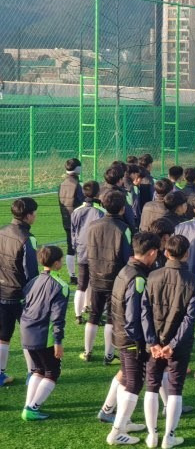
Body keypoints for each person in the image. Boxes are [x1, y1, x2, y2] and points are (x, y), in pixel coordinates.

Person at [142, 235, 195, 449]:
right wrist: (173, 344)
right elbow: (189, 318)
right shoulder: (194, 281)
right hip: (178, 345)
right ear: (186, 254)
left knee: (151, 385)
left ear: (166, 252)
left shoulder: (152, 276)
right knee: (175, 388)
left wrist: (152, 342)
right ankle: (169, 436)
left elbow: (144, 311)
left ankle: (151, 435)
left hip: (155, 343)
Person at [106, 232, 160, 445]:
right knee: (134, 383)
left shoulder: (126, 269)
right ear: (152, 252)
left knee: (129, 379)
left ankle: (124, 421)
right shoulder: (138, 278)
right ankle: (116, 432)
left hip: (120, 334)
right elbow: (133, 317)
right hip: (130, 340)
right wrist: (142, 342)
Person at [82, 190, 132, 364]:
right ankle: (108, 355)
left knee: (94, 314)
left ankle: (87, 351)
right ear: (123, 208)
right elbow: (126, 256)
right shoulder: (123, 228)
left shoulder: (93, 225)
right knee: (112, 316)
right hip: (115, 278)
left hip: (95, 274)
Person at [20, 245, 69, 421]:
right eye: (61, 260)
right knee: (52, 372)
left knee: (38, 370)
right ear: (56, 263)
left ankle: (28, 405)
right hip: (43, 335)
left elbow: (24, 303)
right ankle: (32, 408)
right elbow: (58, 317)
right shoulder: (60, 286)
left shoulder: (32, 281)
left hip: (26, 331)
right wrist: (58, 341)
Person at [0, 197, 38, 386]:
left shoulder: (2, 231)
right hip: (20, 295)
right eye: (34, 213)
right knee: (29, 335)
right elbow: (31, 272)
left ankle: (0, 374)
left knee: (3, 335)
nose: (36, 216)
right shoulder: (27, 239)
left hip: (2, 292)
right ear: (28, 215)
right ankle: (32, 374)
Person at [70, 180, 105, 324]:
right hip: (96, 252)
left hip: (82, 250)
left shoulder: (76, 211)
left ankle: (80, 313)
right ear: (98, 193)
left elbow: (73, 232)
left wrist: (75, 247)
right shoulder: (101, 212)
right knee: (94, 282)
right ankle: (90, 308)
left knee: (82, 283)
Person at [58, 158, 84, 284]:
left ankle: (72, 276)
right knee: (81, 248)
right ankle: (82, 275)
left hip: (66, 221)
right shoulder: (76, 186)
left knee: (70, 248)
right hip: (78, 222)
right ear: (78, 169)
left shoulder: (62, 184)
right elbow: (82, 204)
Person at [100, 165, 137, 232]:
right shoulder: (120, 194)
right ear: (119, 180)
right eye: (122, 178)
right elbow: (129, 216)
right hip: (118, 228)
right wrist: (133, 230)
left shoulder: (101, 190)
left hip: (101, 226)